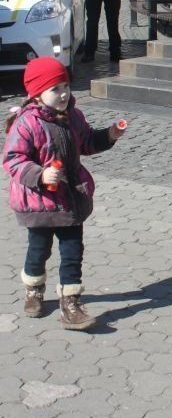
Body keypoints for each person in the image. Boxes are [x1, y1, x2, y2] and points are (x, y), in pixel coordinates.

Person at [3, 57, 126, 330]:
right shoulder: (26, 123)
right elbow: (12, 159)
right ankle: (34, 289)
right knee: (39, 250)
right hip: (39, 203)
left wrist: (109, 136)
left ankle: (71, 303)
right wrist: (39, 174)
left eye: (65, 86)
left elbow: (87, 142)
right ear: (37, 93)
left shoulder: (73, 117)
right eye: (55, 89)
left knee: (72, 252)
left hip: (70, 200)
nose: (63, 94)